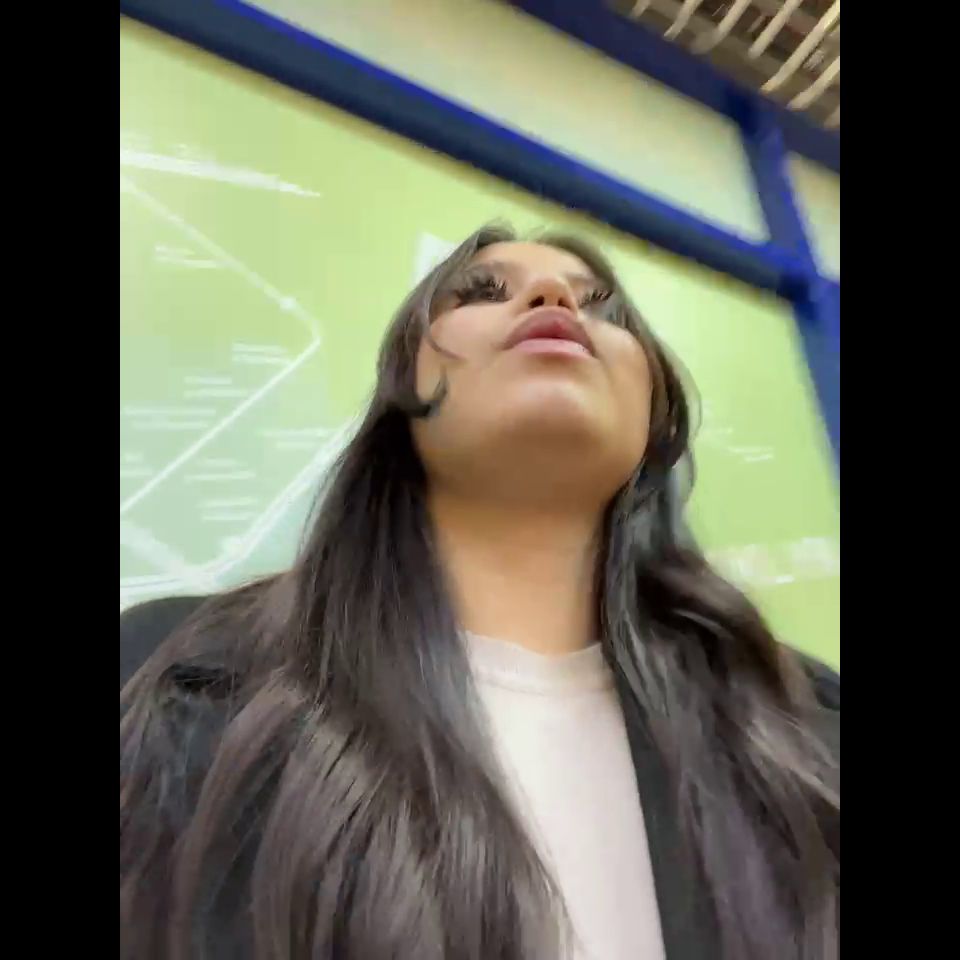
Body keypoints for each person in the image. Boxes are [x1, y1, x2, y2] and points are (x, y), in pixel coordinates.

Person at [120, 225, 839, 960]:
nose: (553, 297)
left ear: (654, 417)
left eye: (603, 307)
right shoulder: (166, 670)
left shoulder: (811, 727)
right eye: (482, 292)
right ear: (405, 386)